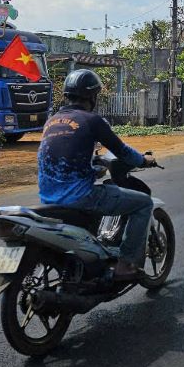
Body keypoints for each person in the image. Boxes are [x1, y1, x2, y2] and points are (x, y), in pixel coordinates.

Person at [37, 69, 155, 282]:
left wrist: (92, 167)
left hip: (48, 199)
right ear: (92, 96)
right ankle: (125, 264)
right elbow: (122, 151)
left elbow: (63, 154)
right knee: (144, 203)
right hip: (81, 197)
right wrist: (143, 160)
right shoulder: (92, 120)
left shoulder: (52, 121)